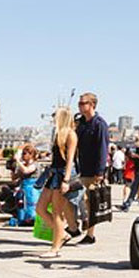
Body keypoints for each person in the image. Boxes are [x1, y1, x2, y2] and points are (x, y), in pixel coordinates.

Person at [34, 107, 78, 257]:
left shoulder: (71, 135)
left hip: (62, 175)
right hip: (53, 173)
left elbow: (70, 159)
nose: (53, 118)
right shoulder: (58, 134)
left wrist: (66, 180)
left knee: (57, 213)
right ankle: (63, 234)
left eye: (55, 116)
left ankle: (55, 248)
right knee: (40, 208)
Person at [75, 92, 109, 245]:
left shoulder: (99, 124)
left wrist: (100, 172)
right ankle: (77, 225)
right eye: (79, 103)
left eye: (83, 103)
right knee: (78, 199)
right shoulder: (81, 123)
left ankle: (90, 234)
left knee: (89, 201)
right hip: (81, 168)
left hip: (93, 170)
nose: (80, 106)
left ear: (92, 105)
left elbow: (103, 148)